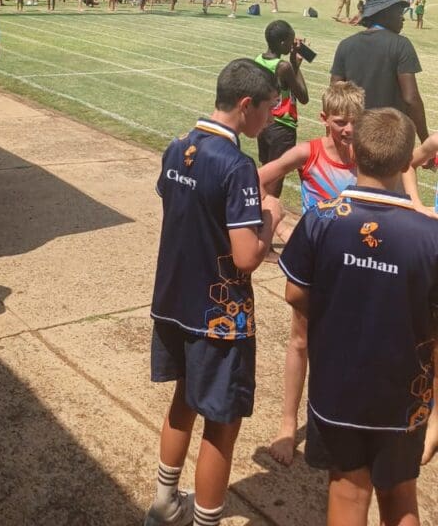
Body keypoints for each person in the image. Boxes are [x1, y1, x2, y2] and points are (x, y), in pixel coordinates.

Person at [279, 108, 438, 525]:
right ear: (406, 164)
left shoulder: (321, 218)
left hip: (338, 391)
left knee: (348, 492)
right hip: (406, 399)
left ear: (355, 155)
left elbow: (294, 292)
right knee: (400, 496)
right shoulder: (431, 237)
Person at [144, 59, 283, 526]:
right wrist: (271, 219)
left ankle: (165, 503)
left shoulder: (177, 146)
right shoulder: (238, 165)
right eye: (268, 107)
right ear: (246, 105)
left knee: (184, 398)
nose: (271, 117)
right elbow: (245, 257)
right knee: (221, 422)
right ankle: (205, 520)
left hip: (173, 300)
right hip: (218, 317)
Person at [258, 82, 365, 467]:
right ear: (324, 119)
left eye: (355, 122)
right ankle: (288, 425)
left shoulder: (367, 156)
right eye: (340, 122)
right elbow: (258, 178)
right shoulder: (309, 152)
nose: (349, 129)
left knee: (350, 343)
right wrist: (271, 214)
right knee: (301, 341)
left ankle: (342, 419)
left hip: (355, 266)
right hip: (315, 264)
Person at [331, 0, 428, 143]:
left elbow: (334, 95)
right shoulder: (401, 45)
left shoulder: (345, 45)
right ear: (385, 14)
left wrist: (333, 141)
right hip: (390, 138)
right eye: (399, 13)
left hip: (355, 135)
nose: (403, 19)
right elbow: (411, 99)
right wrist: (425, 141)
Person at [255, 21, 309, 196]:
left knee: (266, 173)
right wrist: (295, 65)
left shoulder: (258, 60)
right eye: (291, 41)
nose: (292, 45)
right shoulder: (284, 67)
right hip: (283, 127)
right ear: (282, 43)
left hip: (264, 124)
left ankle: (260, 205)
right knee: (275, 180)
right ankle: (267, 209)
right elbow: (303, 97)